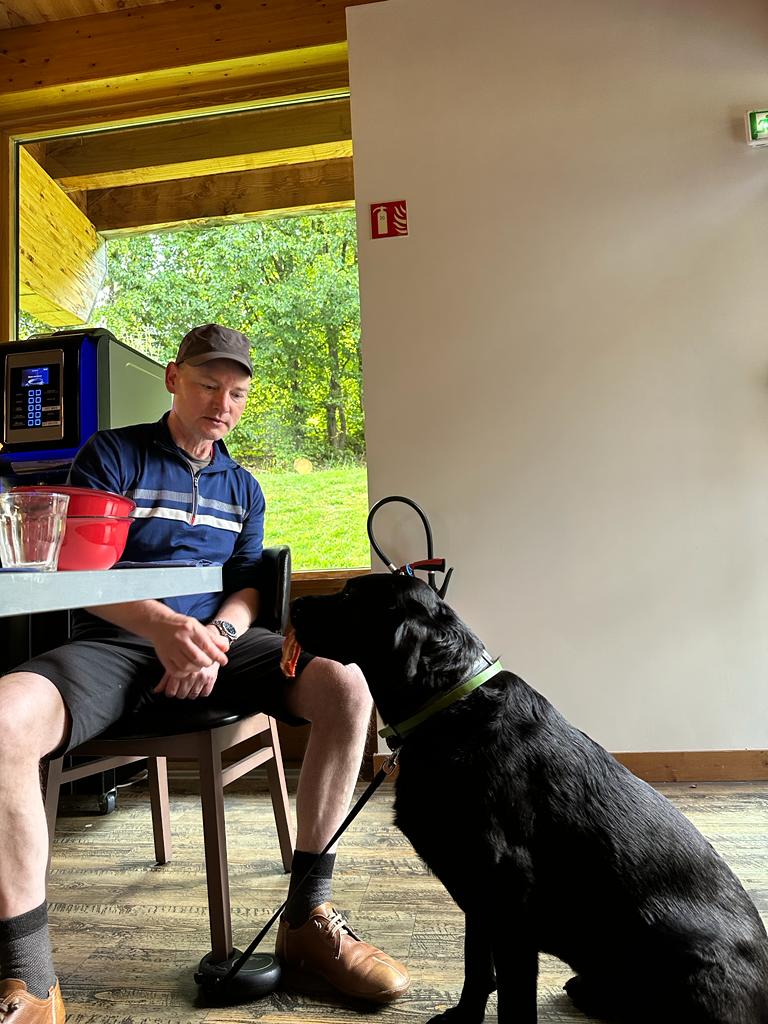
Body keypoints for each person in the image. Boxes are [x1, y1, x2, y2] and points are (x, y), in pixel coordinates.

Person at [0, 324, 410, 1023]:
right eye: (208, 385)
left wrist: (213, 637)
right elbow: (80, 567)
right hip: (117, 641)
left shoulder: (244, 488)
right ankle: (27, 979)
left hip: (222, 645)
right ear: (173, 379)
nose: (222, 402)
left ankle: (308, 918)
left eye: (237, 393)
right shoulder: (113, 454)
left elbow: (249, 589)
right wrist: (164, 629)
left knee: (349, 683)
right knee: (5, 718)